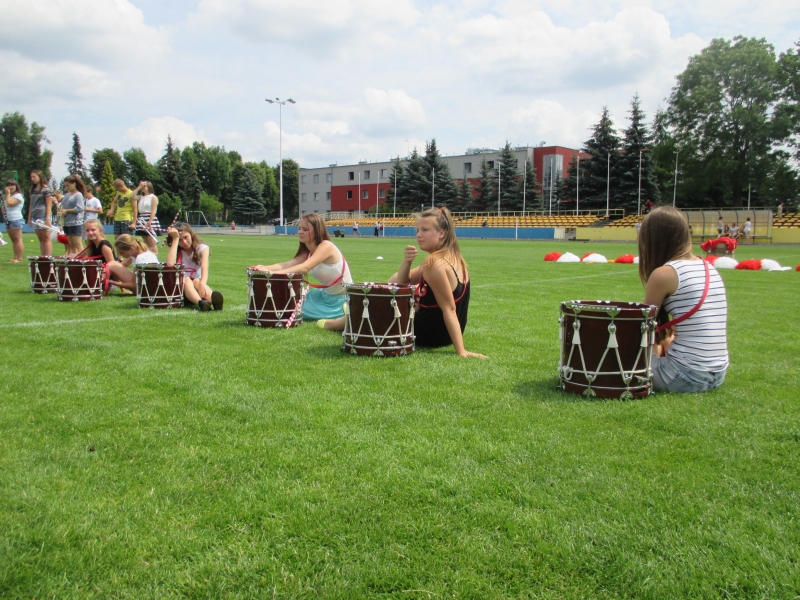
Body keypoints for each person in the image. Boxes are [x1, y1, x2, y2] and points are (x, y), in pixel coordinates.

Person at [639, 206, 728, 393]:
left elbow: (644, 327)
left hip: (685, 375)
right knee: (666, 336)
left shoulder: (664, 274)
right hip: (717, 373)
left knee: (626, 353)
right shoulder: (708, 267)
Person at [391, 207, 485, 358]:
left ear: (442, 233)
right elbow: (401, 281)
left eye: (425, 230)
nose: (418, 235)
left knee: (378, 304)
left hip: (429, 335)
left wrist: (461, 351)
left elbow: (450, 309)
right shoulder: (454, 258)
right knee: (393, 281)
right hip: (444, 335)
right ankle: (340, 321)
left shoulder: (434, 263)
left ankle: (339, 322)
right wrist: (407, 262)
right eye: (417, 230)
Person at [252, 213, 352, 329]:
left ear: (317, 231)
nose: (300, 232)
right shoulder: (308, 252)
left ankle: (344, 312)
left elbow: (305, 267)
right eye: (299, 228)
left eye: (305, 229)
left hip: (339, 301)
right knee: (291, 305)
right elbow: (286, 265)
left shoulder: (326, 246)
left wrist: (271, 273)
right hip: (323, 296)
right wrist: (266, 268)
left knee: (294, 311)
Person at [164, 223, 223, 311]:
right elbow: (169, 264)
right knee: (187, 280)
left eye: (186, 237)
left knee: (196, 281)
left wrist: (202, 283)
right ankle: (201, 303)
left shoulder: (202, 248)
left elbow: (204, 268)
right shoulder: (175, 249)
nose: (184, 242)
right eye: (180, 240)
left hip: (197, 285)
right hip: (181, 289)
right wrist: (175, 239)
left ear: (191, 235)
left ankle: (214, 302)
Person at [54, 175, 86, 255]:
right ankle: (73, 262)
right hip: (67, 222)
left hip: (76, 222)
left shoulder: (78, 195)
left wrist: (67, 211)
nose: (66, 187)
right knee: (71, 245)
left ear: (74, 184)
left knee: (78, 245)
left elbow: (80, 208)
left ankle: (84, 262)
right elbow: (63, 207)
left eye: (68, 185)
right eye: (65, 186)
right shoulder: (67, 195)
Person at [27, 169, 54, 256]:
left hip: (42, 215)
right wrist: (29, 217)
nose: (32, 178)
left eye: (34, 176)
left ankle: (48, 257)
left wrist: (47, 218)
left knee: (46, 237)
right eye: (31, 177)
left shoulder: (46, 189)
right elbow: (31, 204)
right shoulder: (33, 189)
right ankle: (43, 256)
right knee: (40, 238)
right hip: (34, 215)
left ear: (40, 177)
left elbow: (49, 205)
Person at [130, 180, 160, 254]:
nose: (143, 188)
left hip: (150, 218)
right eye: (142, 186)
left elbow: (153, 210)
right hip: (142, 218)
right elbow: (131, 196)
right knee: (145, 241)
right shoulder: (141, 197)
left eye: (144, 186)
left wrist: (150, 221)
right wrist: (139, 187)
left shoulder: (153, 197)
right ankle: (148, 257)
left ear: (149, 187)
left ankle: (155, 259)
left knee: (151, 241)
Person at [3, 180, 25, 262]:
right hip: (9, 219)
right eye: (8, 185)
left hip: (16, 219)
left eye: (12, 185)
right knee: (14, 240)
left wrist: (7, 194)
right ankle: (15, 257)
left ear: (16, 186)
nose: (10, 187)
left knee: (18, 239)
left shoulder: (18, 196)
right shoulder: (10, 196)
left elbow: (10, 203)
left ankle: (19, 258)